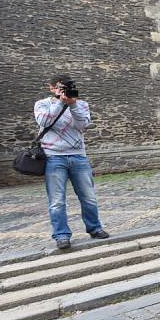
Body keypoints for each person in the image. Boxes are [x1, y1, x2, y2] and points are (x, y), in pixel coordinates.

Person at [35, 74, 109, 250]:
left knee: (88, 196)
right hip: (53, 156)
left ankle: (95, 228)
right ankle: (61, 235)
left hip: (78, 155)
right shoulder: (42, 104)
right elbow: (44, 121)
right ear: (52, 88)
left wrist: (73, 104)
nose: (64, 91)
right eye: (60, 87)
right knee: (57, 200)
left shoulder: (81, 104)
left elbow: (82, 125)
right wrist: (61, 103)